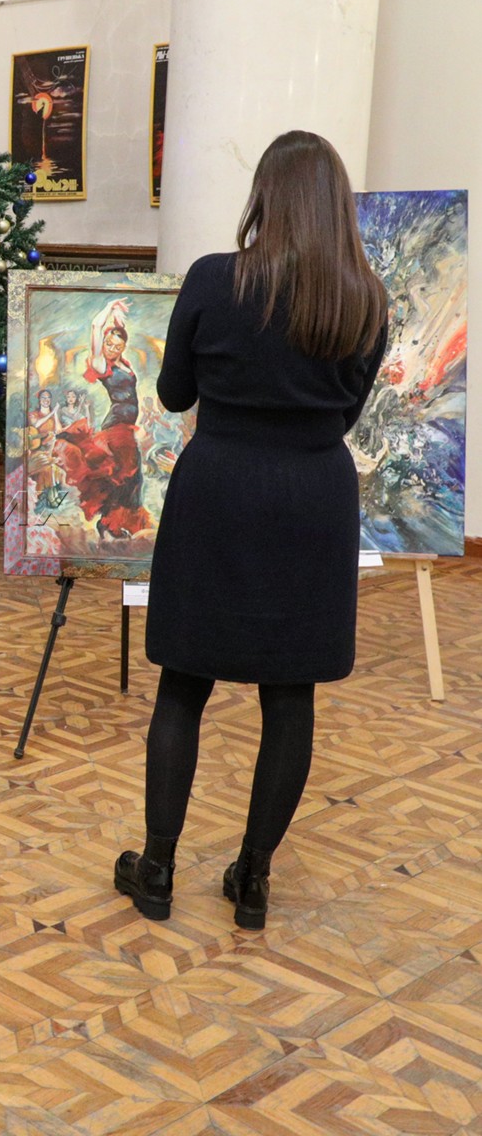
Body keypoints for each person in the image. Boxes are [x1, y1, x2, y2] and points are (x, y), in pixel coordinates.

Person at [115, 131, 390, 932]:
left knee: (182, 682)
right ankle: (253, 881)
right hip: (313, 498)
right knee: (289, 695)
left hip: (218, 490)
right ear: (335, 206)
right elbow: (345, 413)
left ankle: (156, 870)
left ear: (263, 196)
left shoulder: (213, 278)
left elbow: (172, 395)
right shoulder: (364, 299)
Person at [53, 298, 152, 538]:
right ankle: (110, 524)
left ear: (123, 348)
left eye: (117, 347)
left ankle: (111, 522)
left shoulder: (123, 363)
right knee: (126, 475)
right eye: (108, 344)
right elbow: (96, 327)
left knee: (130, 478)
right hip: (117, 425)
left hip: (125, 424)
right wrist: (109, 306)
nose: (112, 349)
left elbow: (117, 335)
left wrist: (117, 320)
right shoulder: (100, 364)